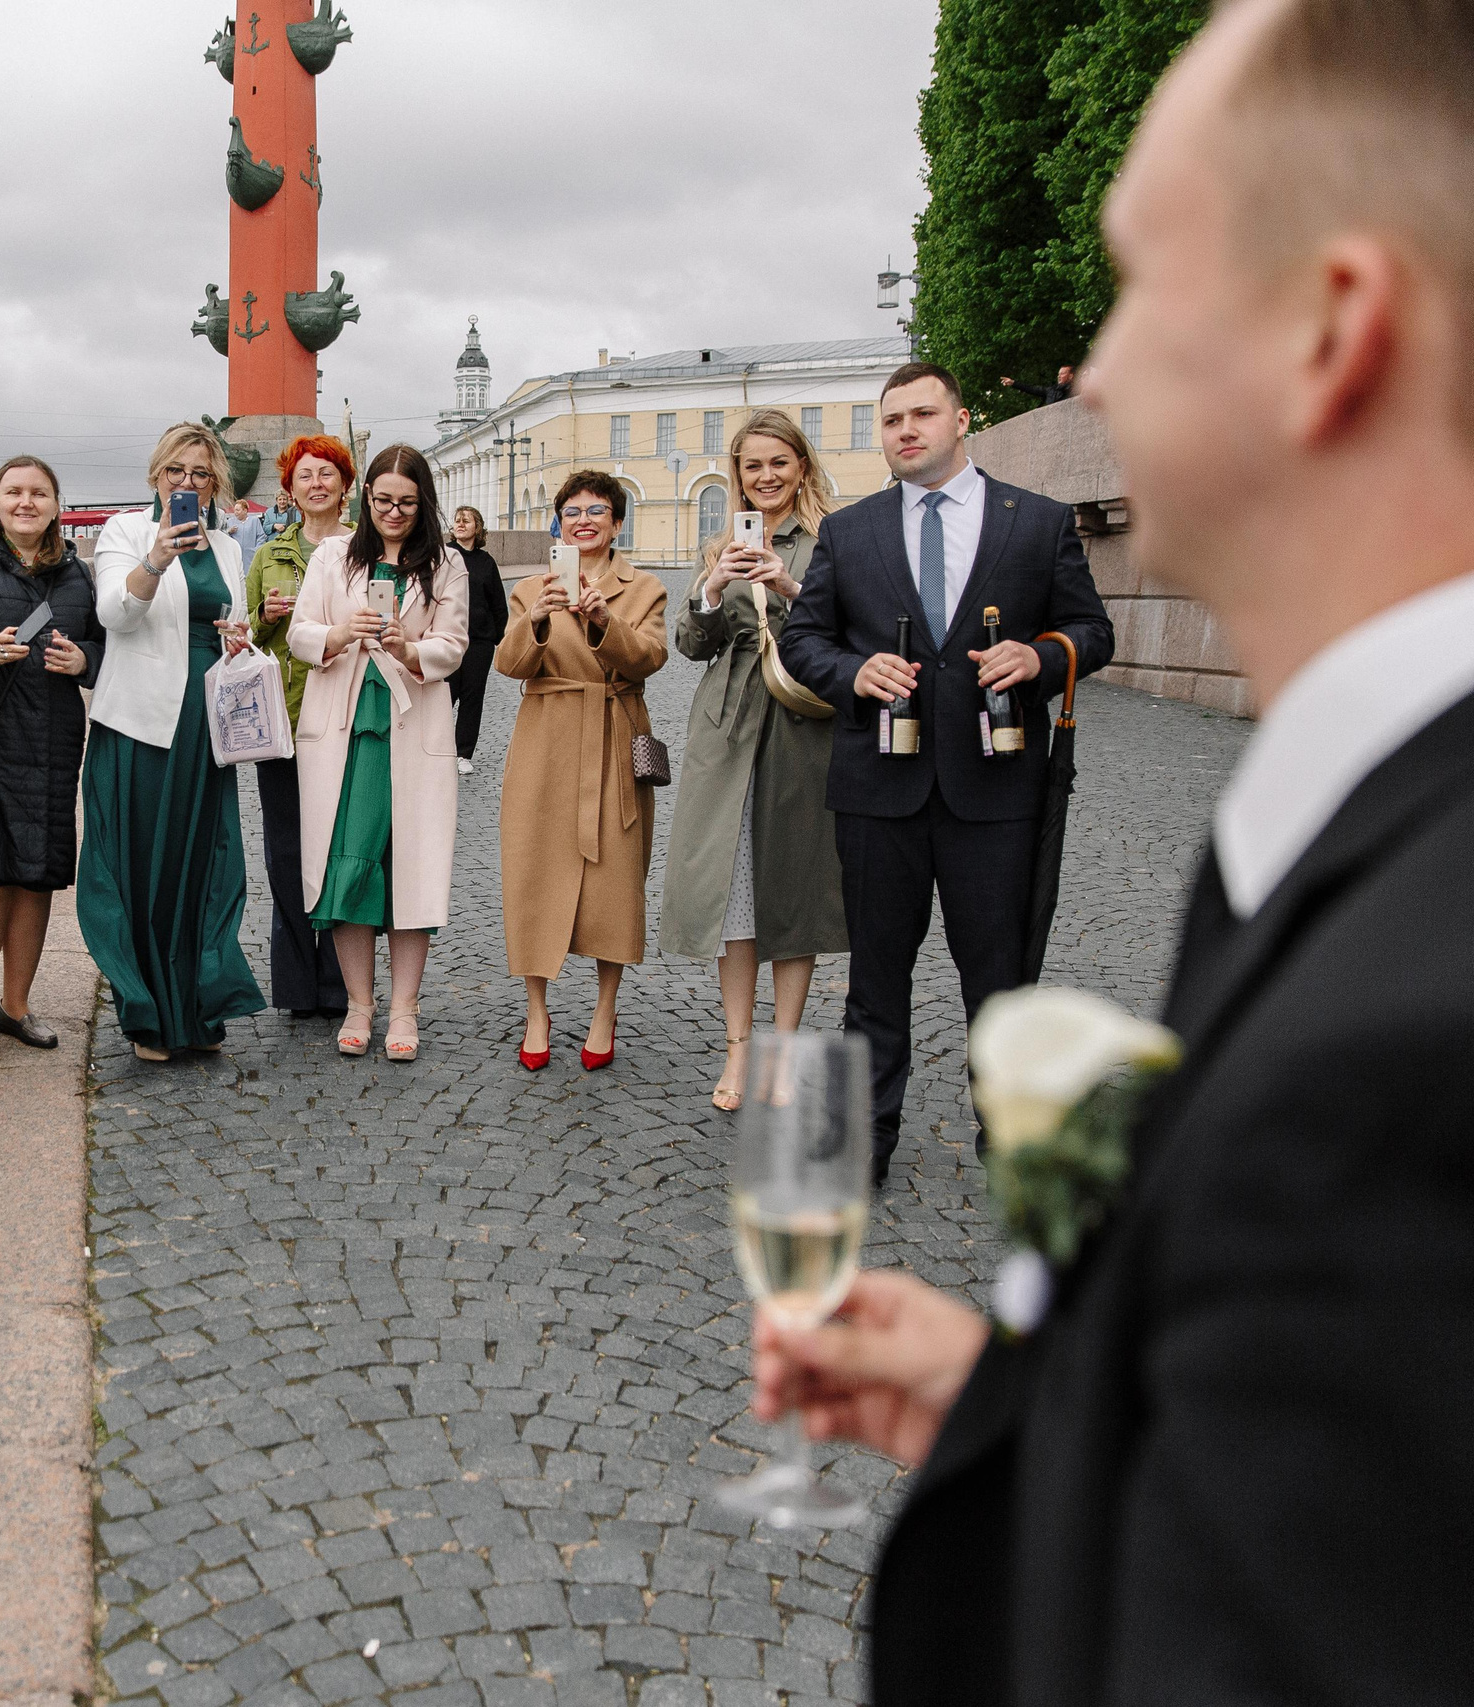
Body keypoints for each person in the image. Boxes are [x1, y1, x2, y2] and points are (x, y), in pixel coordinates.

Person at [757, 2, 1474, 1698]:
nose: (1089, 369)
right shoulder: (1355, 834)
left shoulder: (1409, 1050)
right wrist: (1051, 1399)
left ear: (1334, 328)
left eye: (1144, 280)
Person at [780, 363, 1113, 1184]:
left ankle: (1013, 1135)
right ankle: (864, 1144)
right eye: (890, 418)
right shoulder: (849, 533)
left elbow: (1091, 630)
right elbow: (803, 641)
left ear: (960, 419)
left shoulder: (1034, 524)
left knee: (1001, 977)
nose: (904, 430)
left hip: (996, 791)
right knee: (874, 980)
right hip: (877, 790)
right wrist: (852, 674)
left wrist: (1039, 656)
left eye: (921, 413)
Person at [657, 408, 847, 1111]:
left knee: (793, 892)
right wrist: (712, 589)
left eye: (779, 463)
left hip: (799, 728)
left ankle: (783, 1047)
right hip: (725, 730)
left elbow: (847, 628)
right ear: (737, 475)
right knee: (729, 895)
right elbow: (690, 642)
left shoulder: (831, 541)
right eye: (752, 465)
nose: (765, 476)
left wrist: (790, 588)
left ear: (802, 466)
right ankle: (738, 1047)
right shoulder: (719, 544)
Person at [81, 422, 266, 1061]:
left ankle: (194, 1007)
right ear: (156, 476)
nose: (187, 483)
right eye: (175, 472)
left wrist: (237, 637)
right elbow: (114, 615)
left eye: (201, 474)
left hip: (205, 719)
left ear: (217, 485)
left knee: (201, 866)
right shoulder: (126, 532)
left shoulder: (226, 545)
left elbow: (228, 622)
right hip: (140, 721)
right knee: (144, 864)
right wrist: (155, 558)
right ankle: (148, 1012)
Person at [287, 444, 469, 1061]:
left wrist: (411, 648)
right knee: (350, 865)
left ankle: (406, 1009)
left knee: (412, 866)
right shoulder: (334, 556)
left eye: (408, 503)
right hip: (344, 725)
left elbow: (456, 646)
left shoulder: (446, 564)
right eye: (384, 500)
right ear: (366, 497)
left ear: (425, 504)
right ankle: (360, 1004)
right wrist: (341, 634)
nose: (395, 512)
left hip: (411, 724)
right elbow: (300, 633)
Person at [493, 470, 667, 1072]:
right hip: (545, 744)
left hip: (615, 740)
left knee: (615, 882)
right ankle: (536, 1009)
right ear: (559, 523)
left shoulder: (643, 588)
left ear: (617, 522)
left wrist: (603, 623)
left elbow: (651, 657)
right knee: (533, 871)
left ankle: (604, 1007)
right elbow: (509, 665)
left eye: (597, 510)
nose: (584, 520)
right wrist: (537, 619)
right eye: (572, 511)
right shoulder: (528, 587)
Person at [0, 456, 103, 1061]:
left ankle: (17, 1006)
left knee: (38, 877)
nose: (26, 502)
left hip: (58, 740)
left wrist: (85, 660)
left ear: (57, 505)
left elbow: (106, 645)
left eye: (39, 493)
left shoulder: (77, 575)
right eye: (15, 492)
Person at [244, 434, 353, 1018]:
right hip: (282, 721)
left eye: (326, 474)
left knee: (342, 847)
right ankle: (294, 984)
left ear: (345, 484)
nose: (316, 484)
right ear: (289, 489)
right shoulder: (268, 556)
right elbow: (246, 639)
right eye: (305, 476)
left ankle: (340, 981)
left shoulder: (366, 550)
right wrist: (262, 617)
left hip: (346, 718)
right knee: (286, 851)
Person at [446, 505, 509, 775]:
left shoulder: (486, 562)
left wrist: (498, 637)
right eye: (457, 520)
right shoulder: (443, 556)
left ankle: (462, 754)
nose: (460, 524)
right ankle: (436, 749)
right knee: (442, 696)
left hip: (479, 643)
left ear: (477, 528)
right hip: (447, 637)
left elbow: (498, 604)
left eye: (466, 521)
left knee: (473, 698)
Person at [235, 484, 296, 558]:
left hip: (288, 545)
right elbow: (264, 529)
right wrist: (274, 526)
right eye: (280, 499)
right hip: (272, 546)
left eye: (284, 499)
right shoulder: (269, 512)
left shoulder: (293, 512)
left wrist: (285, 527)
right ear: (276, 500)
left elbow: (296, 526)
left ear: (287, 500)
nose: (282, 501)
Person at [996, 363, 1076, 405]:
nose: (1059, 376)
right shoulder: (1050, 390)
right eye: (1058, 374)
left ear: (1070, 376)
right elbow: (1032, 389)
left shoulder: (1076, 389)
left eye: (1062, 374)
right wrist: (1013, 383)